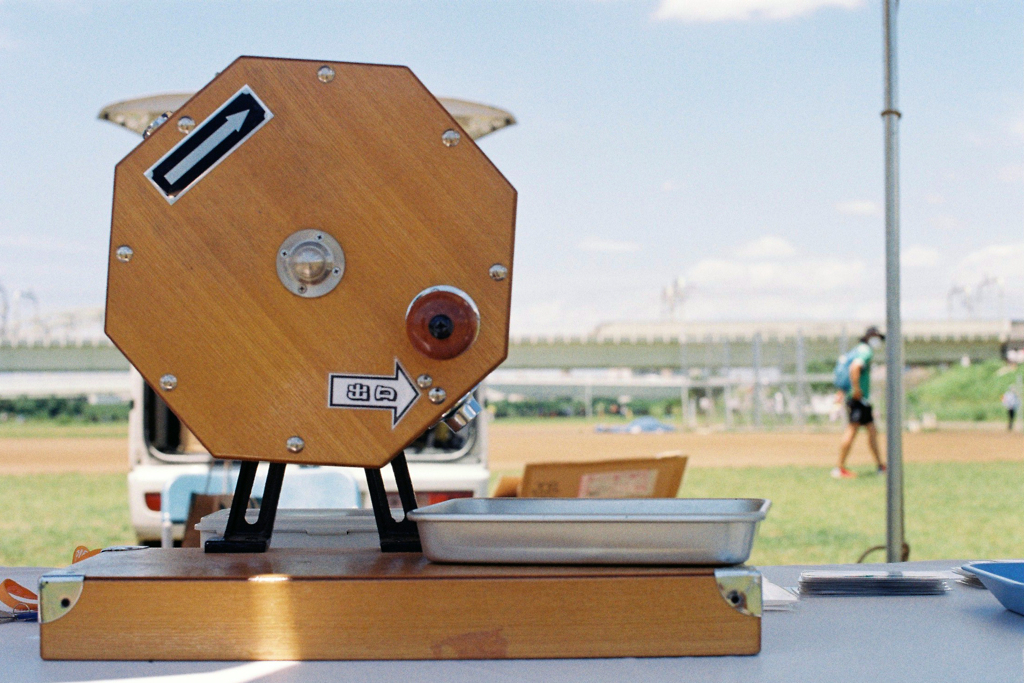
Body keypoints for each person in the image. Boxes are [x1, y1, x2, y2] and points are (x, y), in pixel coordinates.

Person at [832, 327, 887, 479]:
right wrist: (856, 389)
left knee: (872, 430)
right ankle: (839, 468)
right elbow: (855, 368)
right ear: (869, 336)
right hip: (859, 399)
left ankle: (880, 465)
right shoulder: (865, 351)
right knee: (852, 430)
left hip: (859, 399)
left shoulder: (856, 350)